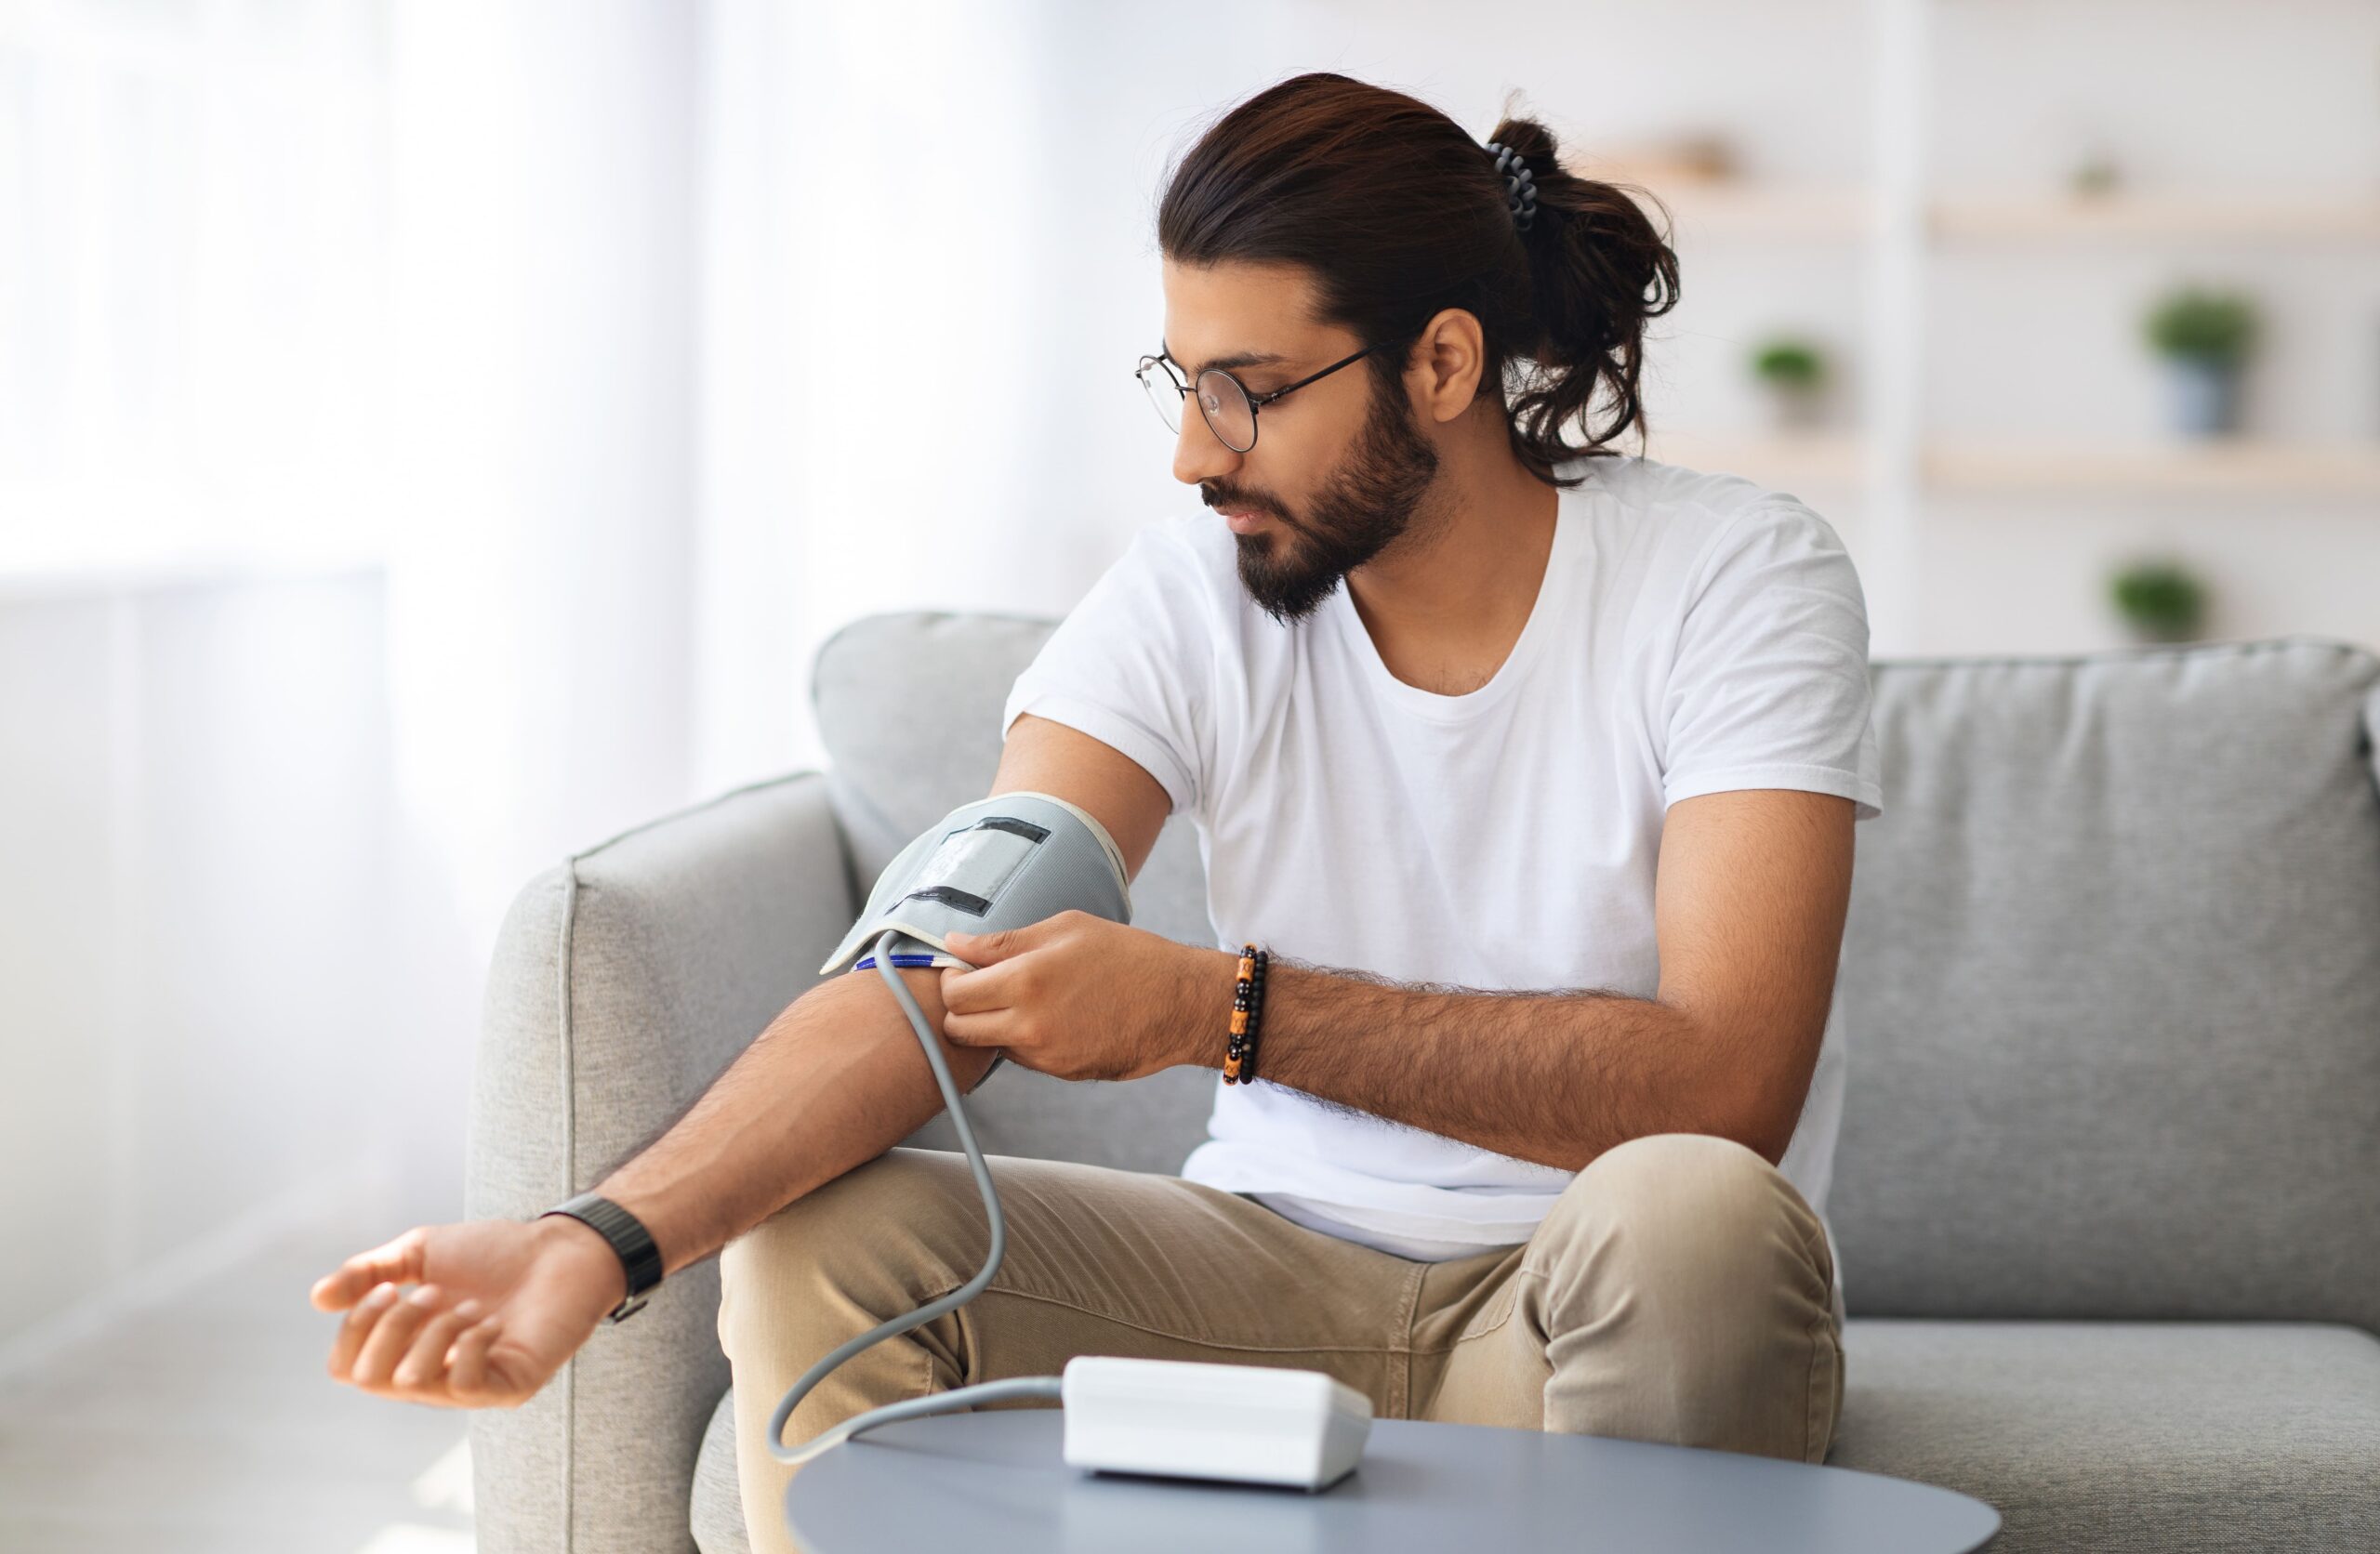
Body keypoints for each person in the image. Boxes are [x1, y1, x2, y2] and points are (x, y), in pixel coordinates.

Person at [311, 70, 1881, 1554]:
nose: (1196, 456)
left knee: (1693, 1212)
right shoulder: (1185, 604)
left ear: (1445, 366)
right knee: (827, 1242)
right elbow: (931, 968)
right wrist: (595, 1241)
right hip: (1266, 1286)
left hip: (1583, 1300)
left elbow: (1726, 1081)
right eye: (1183, 385)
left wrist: (1228, 1011)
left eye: (1253, 393)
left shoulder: (1735, 581)